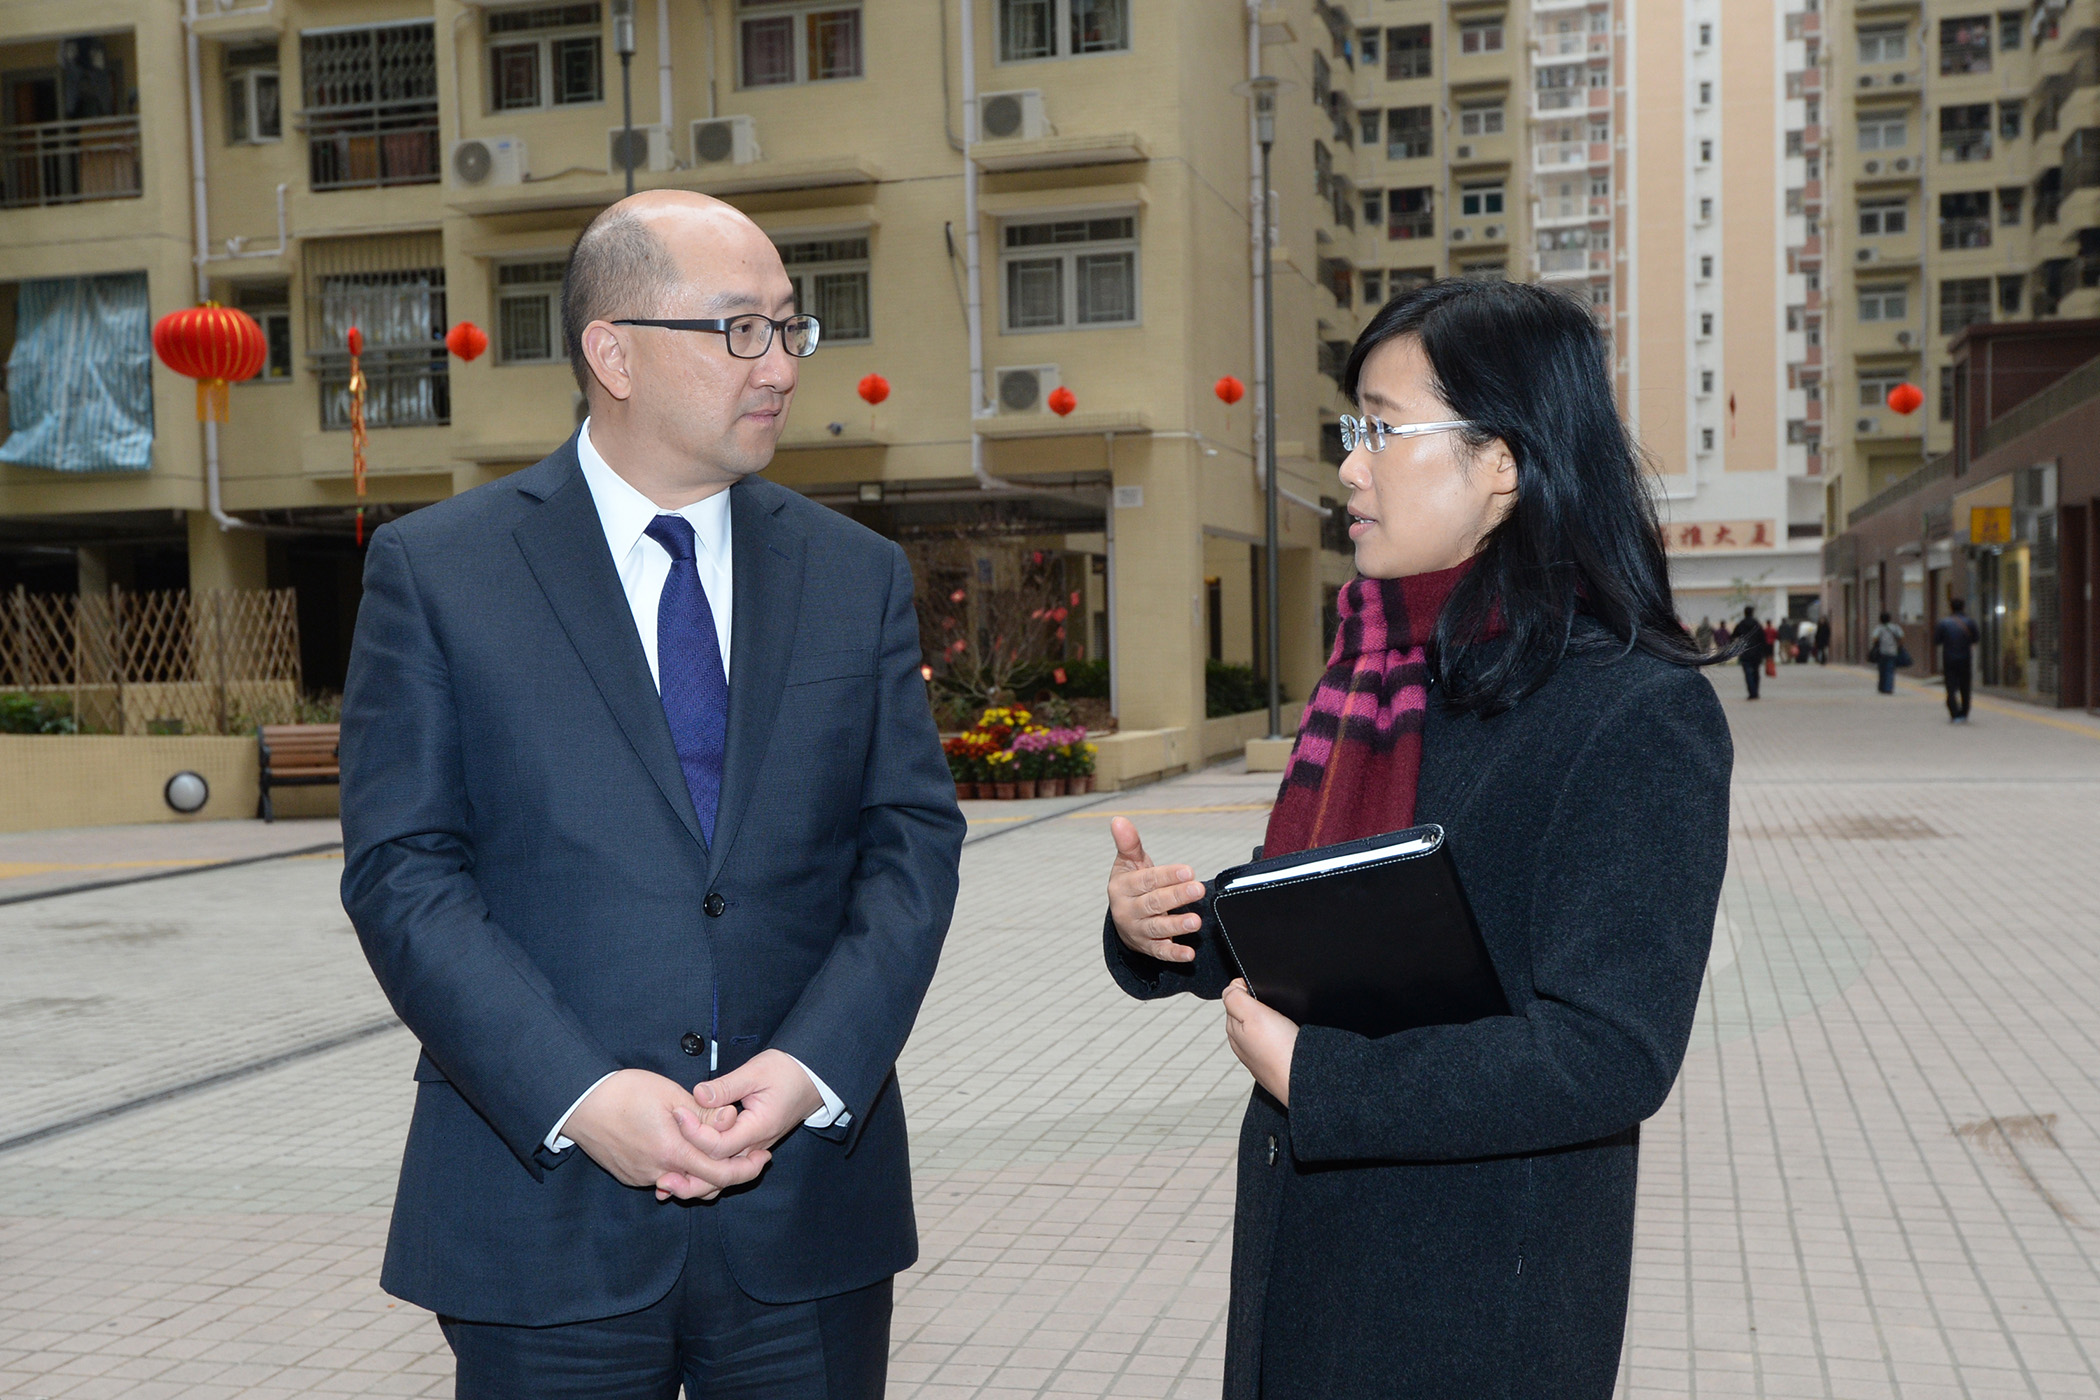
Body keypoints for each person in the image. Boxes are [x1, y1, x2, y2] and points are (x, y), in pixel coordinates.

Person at [338, 191, 966, 1398]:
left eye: (789, 326)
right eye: (739, 329)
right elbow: (404, 873)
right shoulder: (443, 571)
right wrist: (580, 1093)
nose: (779, 364)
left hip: (806, 1216)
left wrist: (814, 1066)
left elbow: (910, 847)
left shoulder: (855, 574)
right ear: (612, 353)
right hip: (542, 1214)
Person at [1100, 279, 1732, 1398]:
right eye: (1352, 432)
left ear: (1503, 462)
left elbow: (1609, 1051)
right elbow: (1335, 910)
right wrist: (1162, 925)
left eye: (1383, 431)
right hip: (1311, 1251)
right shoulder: (1381, 672)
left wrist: (1325, 1078)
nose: (1351, 469)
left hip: (1477, 1294)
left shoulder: (1634, 711)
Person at [1935, 597, 1981, 721]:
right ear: (1963, 607)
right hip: (1965, 658)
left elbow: (1937, 640)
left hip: (1949, 658)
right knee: (1965, 686)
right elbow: (1976, 639)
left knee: (1950, 687)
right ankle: (1964, 712)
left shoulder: (1943, 623)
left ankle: (1954, 713)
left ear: (1950, 608)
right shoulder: (1970, 622)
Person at [1868, 610, 1906, 694]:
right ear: (1889, 619)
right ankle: (1888, 688)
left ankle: (1882, 687)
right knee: (1890, 670)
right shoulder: (1895, 627)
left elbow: (1875, 638)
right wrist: (1899, 645)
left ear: (1880, 619)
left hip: (1882, 652)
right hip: (1893, 652)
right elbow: (1902, 637)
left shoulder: (1879, 628)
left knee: (1882, 670)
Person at [1731, 605, 1765, 698]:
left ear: (1744, 613)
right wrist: (1763, 652)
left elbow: (1733, 636)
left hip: (1745, 652)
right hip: (1756, 652)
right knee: (1756, 672)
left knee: (1748, 674)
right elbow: (1762, 638)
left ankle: (1751, 692)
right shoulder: (1757, 624)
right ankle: (1756, 692)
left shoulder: (1741, 624)